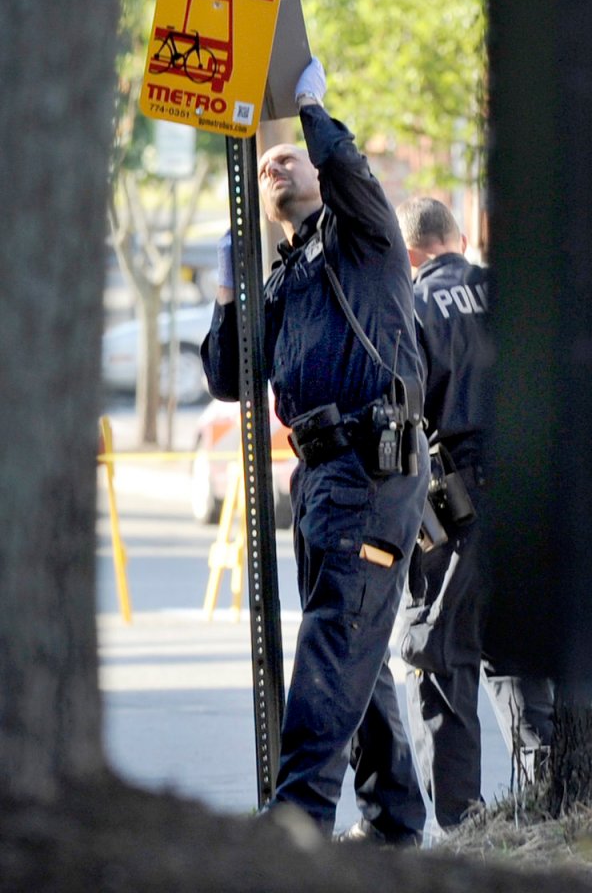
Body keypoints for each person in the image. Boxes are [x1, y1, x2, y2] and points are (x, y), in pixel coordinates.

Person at [201, 57, 430, 846]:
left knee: (334, 643)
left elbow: (343, 162)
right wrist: (231, 291)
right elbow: (230, 376)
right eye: (264, 166)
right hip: (324, 478)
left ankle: (294, 825)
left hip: (372, 462)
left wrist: (309, 107)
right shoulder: (286, 273)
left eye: (287, 155)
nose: (275, 161)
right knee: (354, 647)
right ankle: (396, 825)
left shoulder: (363, 233)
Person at [395, 196, 554, 840]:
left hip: (452, 499)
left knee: (439, 656)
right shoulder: (510, 293)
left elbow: (399, 407)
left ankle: (466, 828)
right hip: (529, 494)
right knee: (518, 653)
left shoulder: (409, 304)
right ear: (459, 239)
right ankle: (550, 799)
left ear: (409, 253)